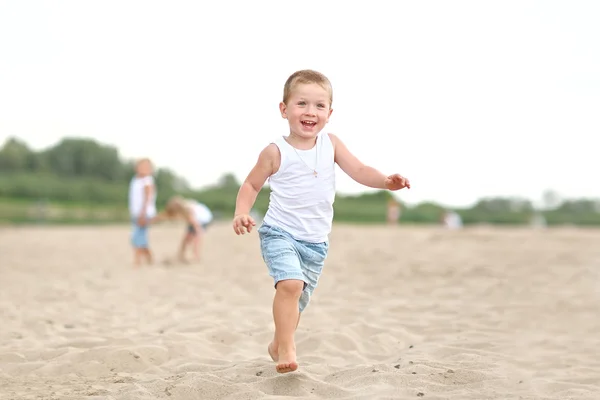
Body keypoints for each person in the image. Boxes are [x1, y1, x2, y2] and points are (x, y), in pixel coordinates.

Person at [232, 69, 411, 374]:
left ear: (329, 112)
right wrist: (241, 211)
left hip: (315, 242)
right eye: (302, 104)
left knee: (297, 300)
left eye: (318, 105)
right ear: (284, 109)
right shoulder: (276, 152)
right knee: (290, 284)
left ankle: (278, 343)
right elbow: (251, 185)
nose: (310, 112)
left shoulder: (332, 144)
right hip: (280, 232)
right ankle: (288, 347)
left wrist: (385, 181)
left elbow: (359, 169)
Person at [154, 196, 213, 263]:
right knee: (186, 238)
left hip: (203, 219)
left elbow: (196, 226)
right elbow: (164, 215)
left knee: (195, 239)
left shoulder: (188, 211)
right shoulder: (182, 210)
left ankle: (196, 256)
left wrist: (198, 233)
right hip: (196, 219)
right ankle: (181, 255)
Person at [128, 158, 157, 267]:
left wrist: (143, 213)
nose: (142, 169)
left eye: (146, 167)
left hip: (144, 213)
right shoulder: (135, 180)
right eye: (141, 166)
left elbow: (147, 198)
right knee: (140, 237)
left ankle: (137, 261)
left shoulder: (147, 180)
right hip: (136, 213)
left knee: (138, 236)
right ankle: (149, 257)